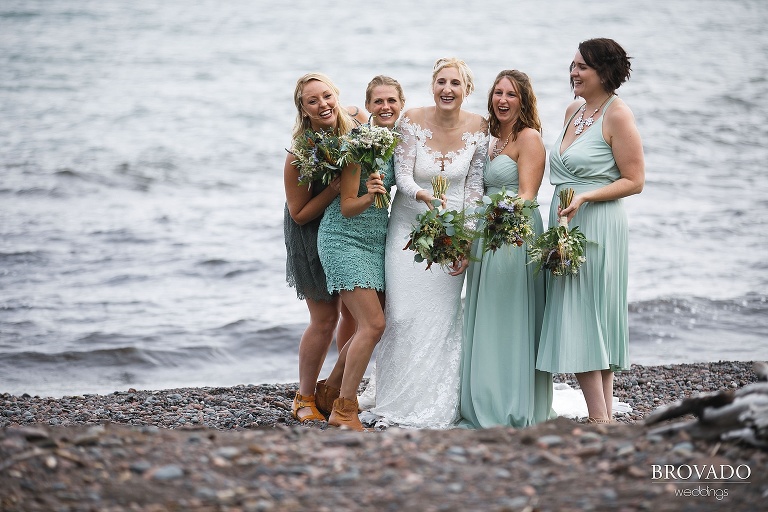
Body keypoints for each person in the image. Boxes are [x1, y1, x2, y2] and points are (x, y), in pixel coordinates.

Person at [368, 58, 488, 428]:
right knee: (401, 315)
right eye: (441, 82)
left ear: (466, 89)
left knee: (440, 319)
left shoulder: (480, 128)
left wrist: (464, 239)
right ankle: (394, 395)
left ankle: (432, 398)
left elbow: (473, 187)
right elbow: (402, 175)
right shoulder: (411, 121)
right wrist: (422, 195)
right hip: (406, 228)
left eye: (455, 83)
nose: (447, 89)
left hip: (449, 234)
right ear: (432, 85)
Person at [535, 38, 645, 424]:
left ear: (604, 72)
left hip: (597, 224)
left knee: (586, 313)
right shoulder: (573, 110)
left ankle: (600, 420)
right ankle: (605, 416)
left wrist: (586, 198)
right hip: (564, 220)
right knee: (585, 313)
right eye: (572, 65)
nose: (573, 73)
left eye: (582, 66)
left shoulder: (618, 115)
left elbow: (635, 180)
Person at [459, 70, 555, 428]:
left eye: (511, 95)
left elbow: (528, 195)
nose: (502, 100)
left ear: (524, 100)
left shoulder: (529, 138)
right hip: (486, 233)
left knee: (507, 314)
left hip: (513, 233)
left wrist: (499, 221)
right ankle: (483, 394)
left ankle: (509, 402)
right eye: (498, 93)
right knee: (486, 315)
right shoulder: (488, 136)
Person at [314, 76, 405, 430]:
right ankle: (344, 410)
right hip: (343, 238)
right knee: (375, 324)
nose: (385, 107)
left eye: (391, 102)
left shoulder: (397, 139)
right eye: (378, 102)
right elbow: (349, 205)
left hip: (376, 241)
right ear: (368, 106)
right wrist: (372, 194)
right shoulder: (356, 144)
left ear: (401, 104)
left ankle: (332, 386)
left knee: (372, 322)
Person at [283, 72, 363, 423]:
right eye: (312, 101)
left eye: (327, 96)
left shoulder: (356, 124)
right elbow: (299, 215)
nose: (322, 105)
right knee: (324, 318)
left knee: (354, 314)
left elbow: (372, 113)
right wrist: (332, 189)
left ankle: (338, 387)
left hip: (349, 229)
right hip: (310, 232)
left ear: (337, 95)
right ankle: (304, 396)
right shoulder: (299, 154)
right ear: (303, 109)